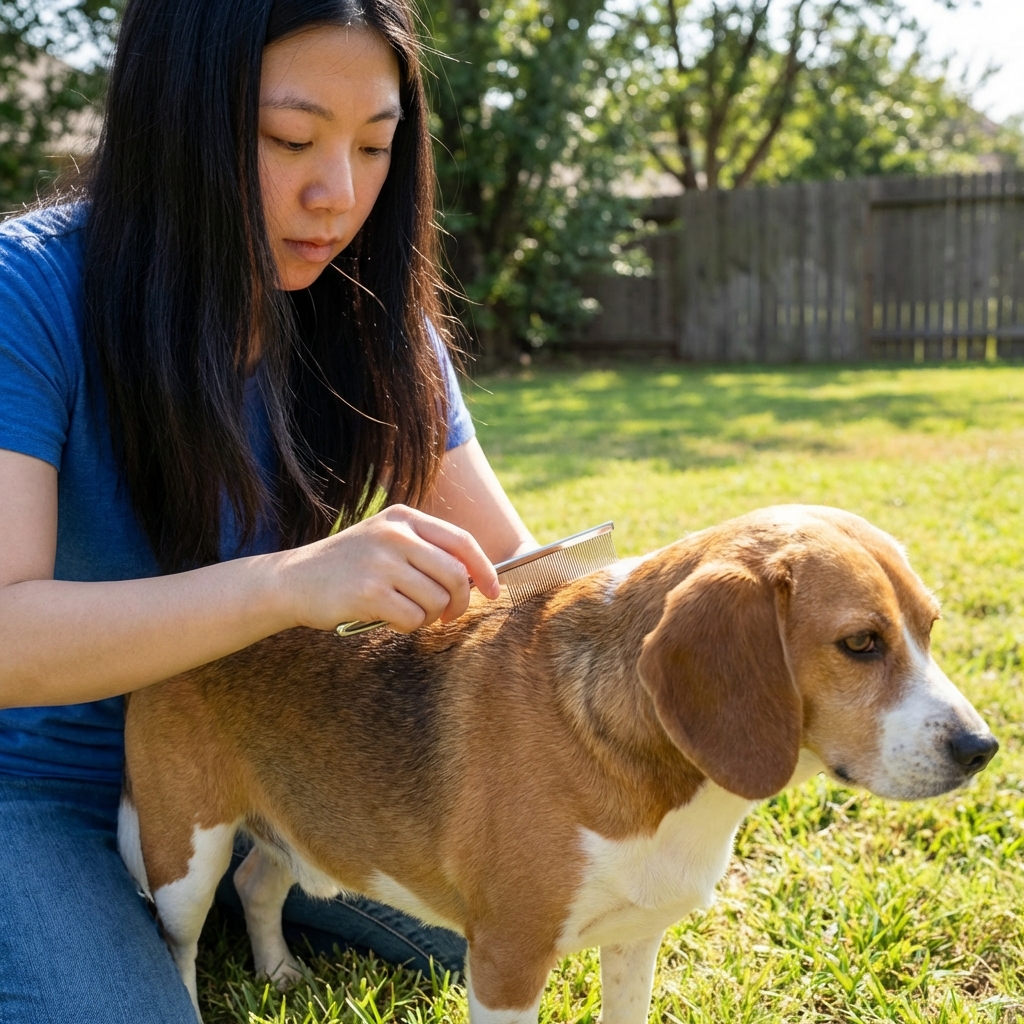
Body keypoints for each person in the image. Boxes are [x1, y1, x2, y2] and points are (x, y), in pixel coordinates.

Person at [0, 0, 535, 1020]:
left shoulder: (375, 323)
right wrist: (289, 583)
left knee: (524, 908)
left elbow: (519, 574)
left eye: (375, 146)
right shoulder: (25, 294)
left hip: (274, 768)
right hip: (34, 796)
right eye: (289, 139)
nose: (337, 194)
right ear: (175, 119)